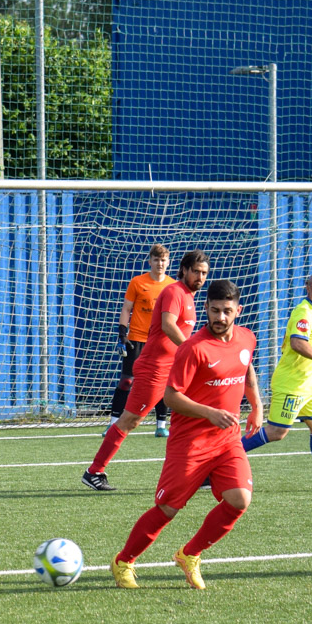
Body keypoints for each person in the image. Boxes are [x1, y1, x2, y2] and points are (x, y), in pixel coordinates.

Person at [110, 279, 260, 591]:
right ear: (206, 308)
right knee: (168, 509)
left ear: (238, 311)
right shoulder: (194, 348)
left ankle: (189, 554)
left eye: (227, 311)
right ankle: (124, 561)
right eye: (215, 310)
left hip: (227, 440)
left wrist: (257, 405)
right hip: (190, 442)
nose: (220, 317)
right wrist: (209, 413)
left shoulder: (247, 338)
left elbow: (246, 368)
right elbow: (171, 397)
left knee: (239, 500)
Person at [82, 250, 209, 491]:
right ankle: (94, 471)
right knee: (130, 420)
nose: (200, 277)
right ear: (184, 270)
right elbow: (168, 325)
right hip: (155, 368)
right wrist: (190, 350)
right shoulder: (174, 292)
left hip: (174, 368)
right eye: (196, 272)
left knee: (194, 415)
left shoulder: (188, 296)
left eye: (204, 273)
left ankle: (199, 472)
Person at [240, 270, 312, 490]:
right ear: (308, 287)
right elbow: (297, 343)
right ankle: (217, 460)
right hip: (292, 384)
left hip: (307, 384)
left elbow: (303, 344)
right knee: (277, 432)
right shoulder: (304, 311)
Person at [110, 245, 174, 437]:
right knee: (126, 381)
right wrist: (122, 333)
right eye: (156, 260)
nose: (160, 264)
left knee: (162, 383)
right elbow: (126, 309)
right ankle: (113, 423)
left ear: (168, 262)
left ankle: (161, 425)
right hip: (137, 339)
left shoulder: (172, 286)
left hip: (161, 342)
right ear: (150, 261)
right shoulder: (137, 282)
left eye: (163, 260)